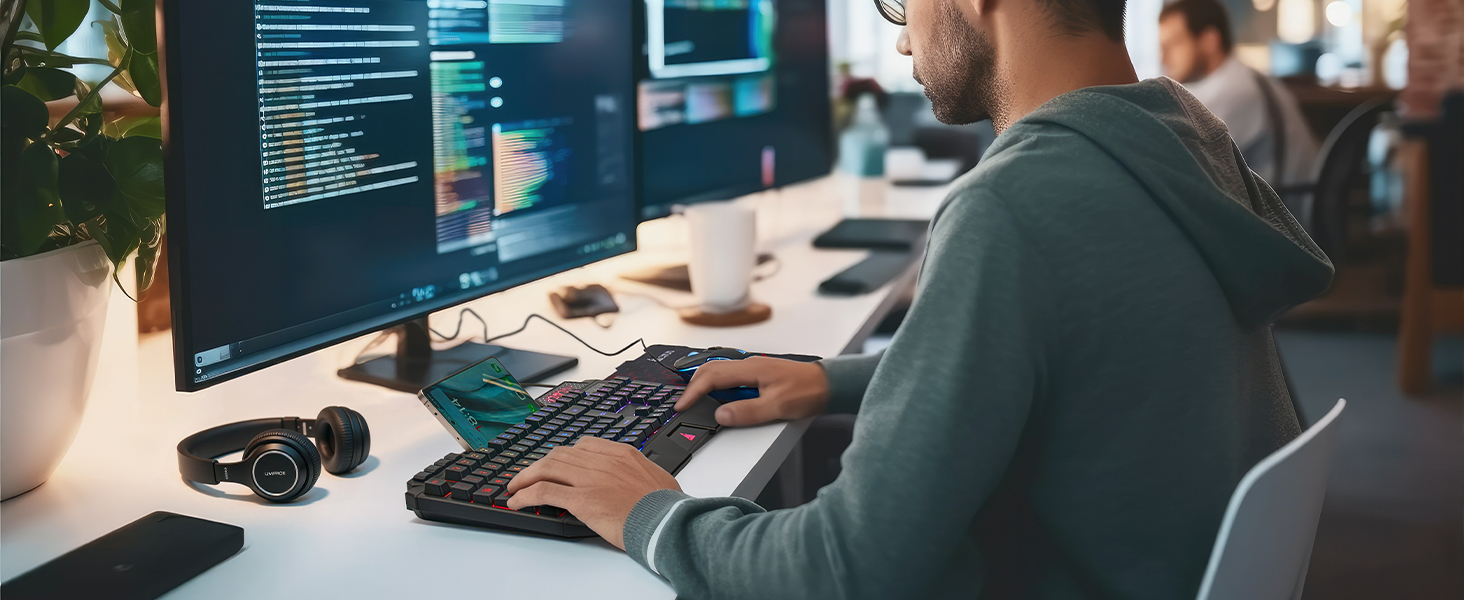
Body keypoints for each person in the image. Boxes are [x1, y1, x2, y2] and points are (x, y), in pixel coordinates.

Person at [505, 0, 1335, 594]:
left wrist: (649, 513)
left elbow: (843, 570)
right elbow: (1096, 349)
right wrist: (838, 379)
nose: (902, 41)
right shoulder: (1180, 139)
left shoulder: (1015, 202)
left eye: (904, 5)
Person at [1159, 0, 1319, 222]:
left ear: (1209, 41)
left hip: (1284, 229)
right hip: (1287, 213)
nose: (1163, 58)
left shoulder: (1233, 93)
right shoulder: (1246, 78)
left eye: (1174, 44)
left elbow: (1182, 169)